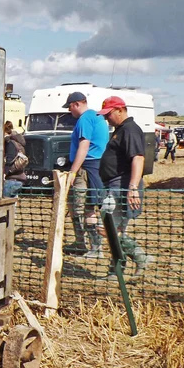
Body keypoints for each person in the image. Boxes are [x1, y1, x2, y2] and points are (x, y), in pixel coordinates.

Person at [97, 96, 153, 277]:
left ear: (120, 110)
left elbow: (138, 157)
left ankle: (139, 258)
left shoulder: (129, 129)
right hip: (115, 185)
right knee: (113, 229)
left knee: (106, 228)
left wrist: (133, 188)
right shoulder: (120, 130)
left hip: (121, 186)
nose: (107, 118)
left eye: (109, 114)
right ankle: (116, 270)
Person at [63, 92, 109, 258]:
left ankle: (93, 247)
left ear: (76, 104)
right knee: (82, 207)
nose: (70, 111)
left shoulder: (84, 119)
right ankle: (82, 242)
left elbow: (83, 146)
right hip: (96, 166)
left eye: (69, 107)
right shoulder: (96, 117)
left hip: (86, 168)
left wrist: (73, 171)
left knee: (82, 208)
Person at [3, 120, 27, 198]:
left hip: (11, 180)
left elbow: (9, 160)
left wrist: (4, 173)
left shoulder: (10, 143)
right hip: (19, 178)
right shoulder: (18, 142)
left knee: (6, 204)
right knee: (12, 206)